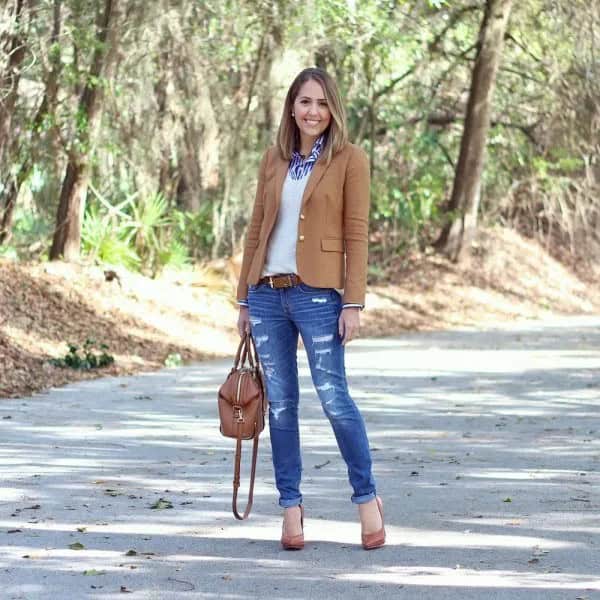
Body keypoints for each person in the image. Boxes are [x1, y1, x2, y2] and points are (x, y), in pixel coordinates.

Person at [236, 67, 384, 550]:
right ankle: (290, 508)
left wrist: (354, 301)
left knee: (333, 398)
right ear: (291, 107)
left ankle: (367, 500)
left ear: (332, 108)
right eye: (304, 102)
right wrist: (243, 297)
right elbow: (256, 230)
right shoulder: (273, 160)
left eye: (321, 103)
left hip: (320, 296)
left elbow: (357, 233)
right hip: (266, 294)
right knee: (280, 406)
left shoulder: (350, 159)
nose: (313, 111)